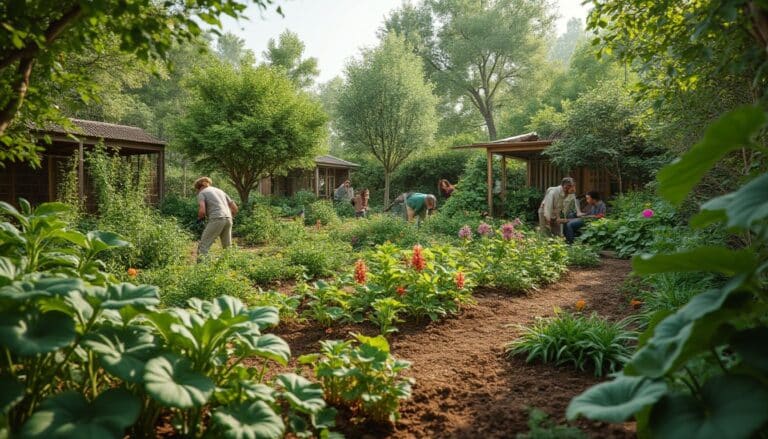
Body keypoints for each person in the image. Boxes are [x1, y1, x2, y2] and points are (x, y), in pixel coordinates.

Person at [195, 177, 238, 259]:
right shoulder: (220, 191)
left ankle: (201, 265)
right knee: (227, 247)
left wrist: (199, 219)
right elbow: (235, 208)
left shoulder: (202, 193)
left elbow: (202, 211)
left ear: (199, 187)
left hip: (216, 218)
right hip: (228, 218)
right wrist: (230, 217)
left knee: (203, 245)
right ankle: (230, 263)